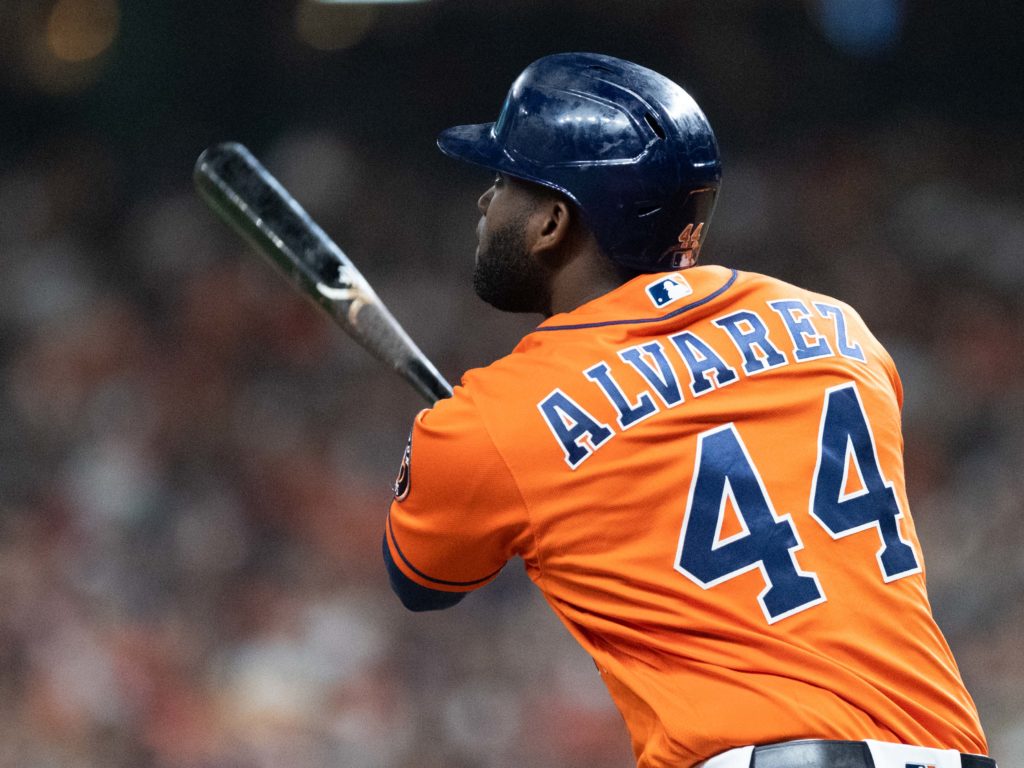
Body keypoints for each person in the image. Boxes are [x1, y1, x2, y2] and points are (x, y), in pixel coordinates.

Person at [381, 52, 993, 768]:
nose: (486, 203)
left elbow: (421, 580)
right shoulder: (837, 328)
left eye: (503, 180)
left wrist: (466, 448)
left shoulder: (496, 419)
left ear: (552, 222)